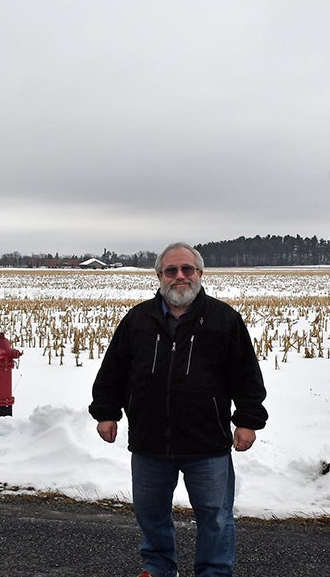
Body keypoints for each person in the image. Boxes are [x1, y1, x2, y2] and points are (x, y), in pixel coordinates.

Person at [89, 242, 268, 577]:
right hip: (149, 442)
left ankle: (213, 573)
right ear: (159, 276)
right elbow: (113, 371)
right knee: (150, 514)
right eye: (171, 271)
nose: (179, 276)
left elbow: (246, 377)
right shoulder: (137, 320)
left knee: (215, 517)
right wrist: (106, 412)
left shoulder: (224, 320)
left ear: (200, 274)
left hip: (207, 443)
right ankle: (157, 569)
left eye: (187, 269)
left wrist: (248, 420)